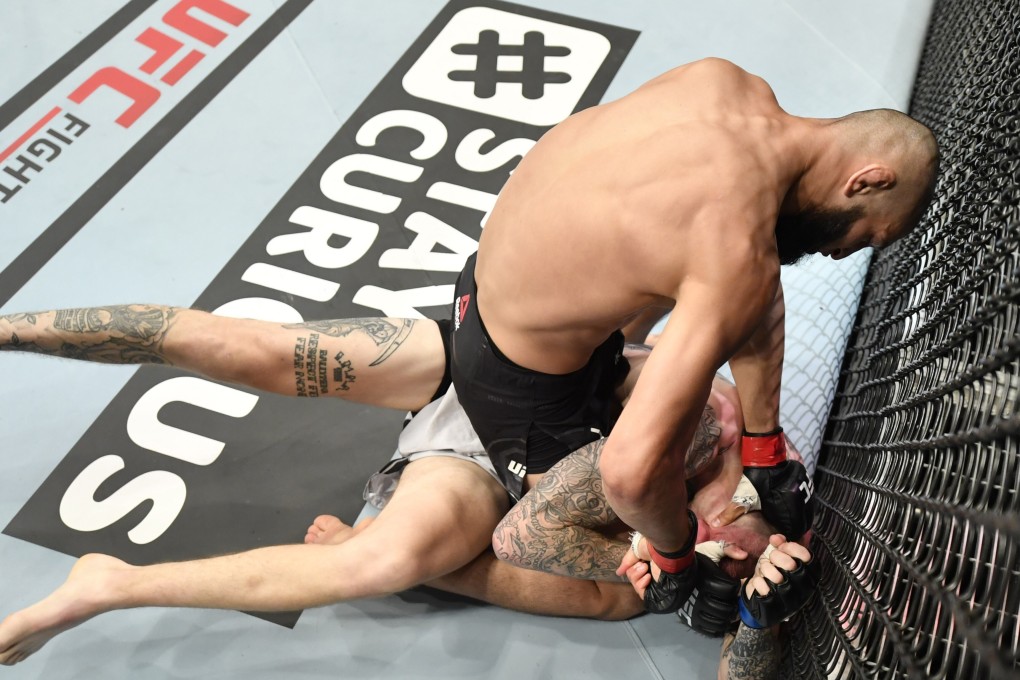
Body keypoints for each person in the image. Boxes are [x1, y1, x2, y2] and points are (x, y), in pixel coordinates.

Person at [0, 305, 771, 667]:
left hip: (481, 457)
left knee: (374, 564)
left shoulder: (670, 550)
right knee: (263, 349)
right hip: (509, 356)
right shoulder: (736, 430)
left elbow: (596, 579)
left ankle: (106, 585)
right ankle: (8, 327)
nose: (741, 556)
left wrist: (417, 552)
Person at [444, 56, 939, 613]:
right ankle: (435, 570)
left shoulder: (725, 81)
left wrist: (764, 446)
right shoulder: (734, 251)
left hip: (486, 284)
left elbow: (758, 277)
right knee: (635, 589)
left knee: (693, 287)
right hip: (518, 390)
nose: (840, 251)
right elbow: (629, 476)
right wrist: (677, 551)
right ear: (868, 180)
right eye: (867, 235)